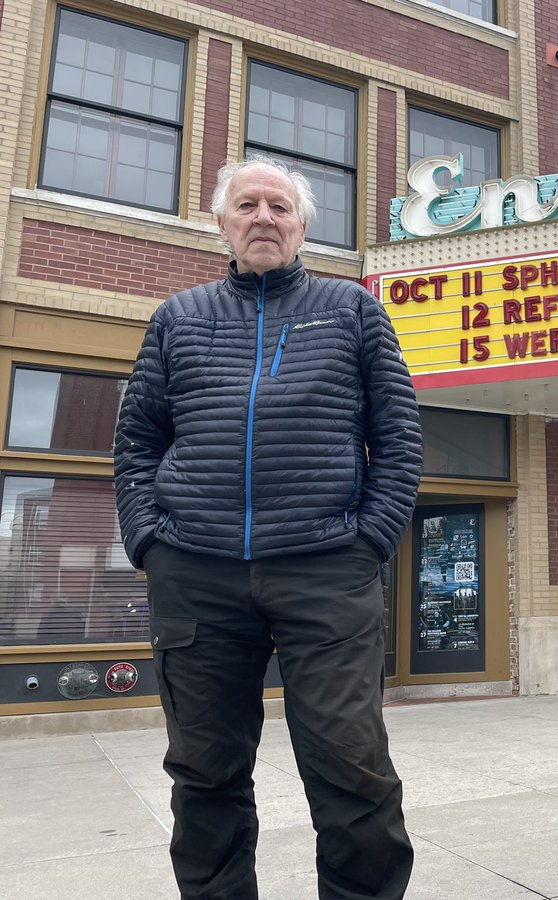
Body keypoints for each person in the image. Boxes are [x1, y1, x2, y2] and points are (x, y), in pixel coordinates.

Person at [114, 157, 422, 899]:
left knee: (352, 767)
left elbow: (401, 436)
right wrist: (150, 543)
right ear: (222, 224)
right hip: (195, 572)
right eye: (246, 205)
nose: (263, 217)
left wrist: (367, 541)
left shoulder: (351, 310)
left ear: (302, 226)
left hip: (325, 570)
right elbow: (136, 442)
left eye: (279, 207)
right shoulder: (178, 318)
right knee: (204, 772)